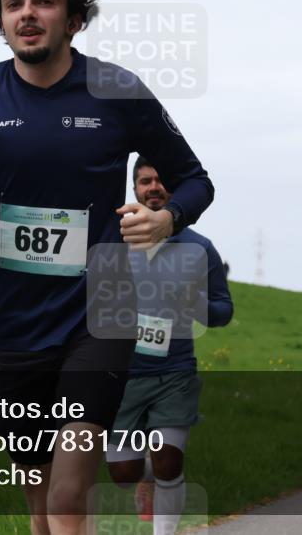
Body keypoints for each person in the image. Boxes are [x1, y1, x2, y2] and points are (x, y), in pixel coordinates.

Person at [0, 0, 214, 535]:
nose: (28, 14)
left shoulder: (118, 91)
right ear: (0, 19)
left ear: (73, 18)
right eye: (14, 4)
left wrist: (168, 217)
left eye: (44, 1)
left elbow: (196, 182)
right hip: (10, 322)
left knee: (69, 494)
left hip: (99, 313)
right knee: (40, 500)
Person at [105, 157, 233, 535]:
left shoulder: (199, 248)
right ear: (135, 189)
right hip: (121, 376)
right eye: (146, 181)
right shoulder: (113, 238)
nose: (154, 187)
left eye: (162, 180)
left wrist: (196, 303)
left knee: (168, 462)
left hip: (174, 373)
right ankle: (146, 478)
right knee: (124, 473)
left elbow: (223, 311)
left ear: (175, 189)